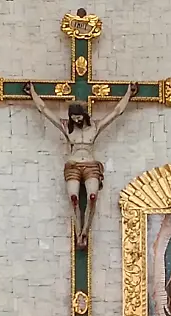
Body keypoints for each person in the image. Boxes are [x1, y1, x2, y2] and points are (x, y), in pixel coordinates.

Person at [25, 82, 138, 249]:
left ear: (84, 115)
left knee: (92, 197)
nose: (75, 119)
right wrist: (32, 93)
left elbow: (116, 112)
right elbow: (44, 110)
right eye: (73, 117)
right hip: (73, 165)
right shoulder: (67, 128)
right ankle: (78, 234)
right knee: (74, 199)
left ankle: (85, 231)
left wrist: (129, 93)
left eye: (78, 116)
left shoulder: (95, 127)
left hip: (91, 165)